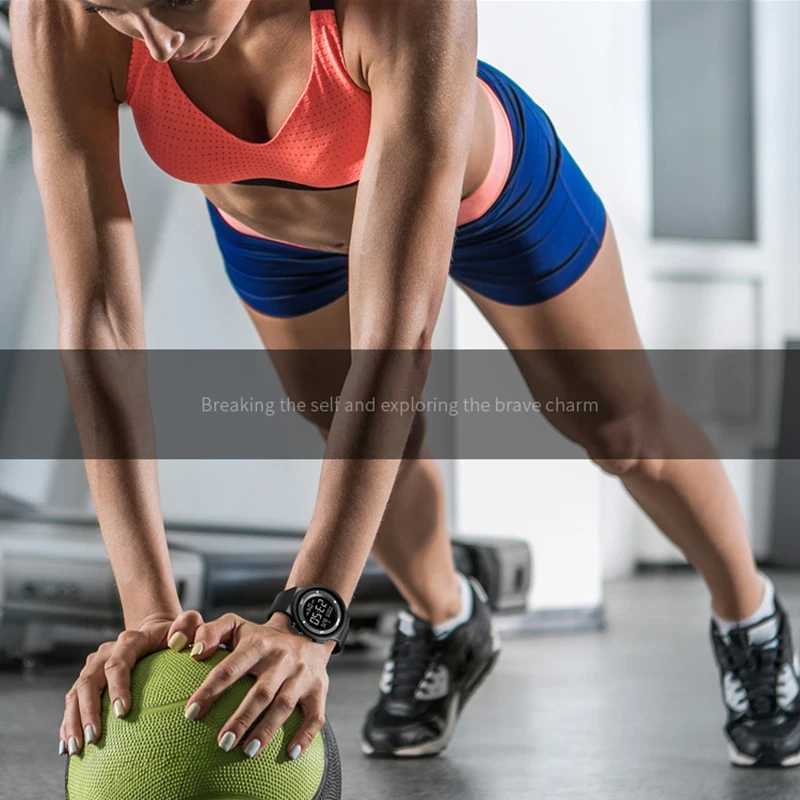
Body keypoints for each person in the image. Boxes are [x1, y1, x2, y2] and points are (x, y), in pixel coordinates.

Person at [10, 0, 800, 769]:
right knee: (367, 445)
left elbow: (396, 343)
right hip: (276, 233)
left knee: (622, 434)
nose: (155, 37)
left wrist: (305, 621)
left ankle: (752, 619)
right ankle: (447, 621)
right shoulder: (61, 15)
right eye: (119, 10)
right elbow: (98, 326)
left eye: (178, 2)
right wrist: (148, 613)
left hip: (487, 201)